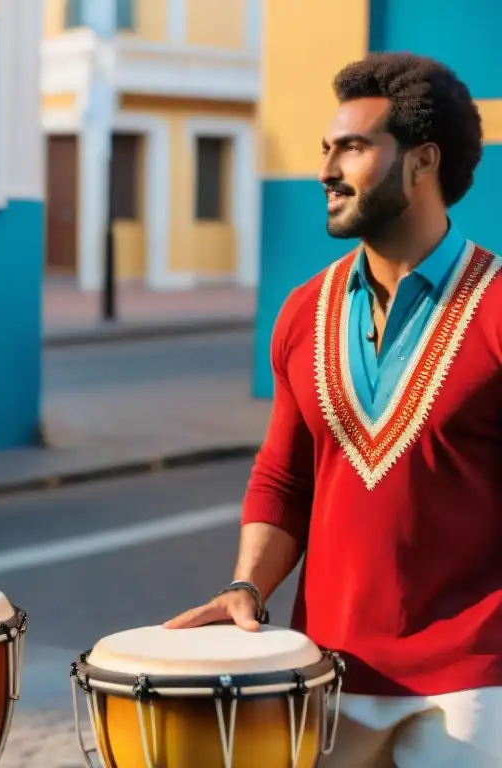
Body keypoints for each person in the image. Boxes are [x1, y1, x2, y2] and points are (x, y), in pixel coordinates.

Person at [165, 52, 502, 766]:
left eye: (352, 147)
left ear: (422, 162)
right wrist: (246, 586)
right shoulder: (300, 313)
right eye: (326, 148)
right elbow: (285, 478)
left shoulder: (497, 309)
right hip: (325, 673)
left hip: (476, 690)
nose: (326, 169)